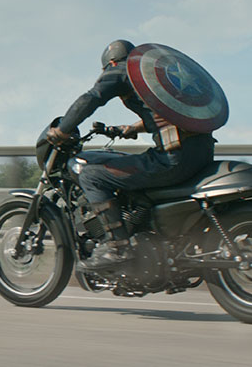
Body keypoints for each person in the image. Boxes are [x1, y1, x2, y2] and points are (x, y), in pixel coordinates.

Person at [46, 40, 218, 271]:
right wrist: (133, 128)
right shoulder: (153, 75)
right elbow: (165, 114)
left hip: (172, 159)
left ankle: (117, 247)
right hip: (201, 152)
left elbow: (92, 98)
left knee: (91, 176)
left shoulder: (119, 70)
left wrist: (63, 129)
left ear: (112, 62)